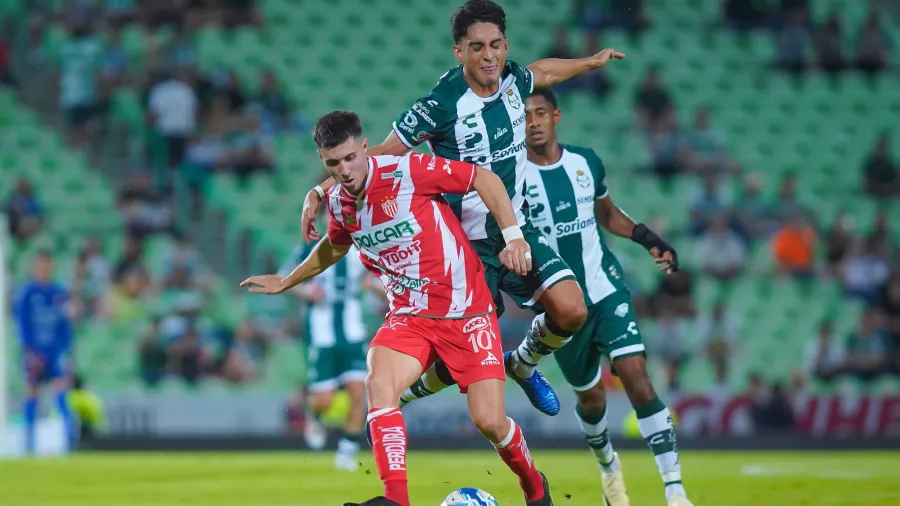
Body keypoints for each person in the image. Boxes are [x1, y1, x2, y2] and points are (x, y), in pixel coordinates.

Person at [299, 0, 626, 417]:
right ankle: (408, 393)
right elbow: (379, 152)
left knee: (571, 309)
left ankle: (522, 364)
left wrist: (590, 62)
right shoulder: (442, 102)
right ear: (459, 51)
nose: (488, 55)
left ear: (506, 45)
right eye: (476, 47)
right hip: (461, 246)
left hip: (514, 227)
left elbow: (544, 72)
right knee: (458, 364)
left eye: (495, 45)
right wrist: (322, 189)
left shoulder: (514, 80)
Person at [242, 111, 553, 506]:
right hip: (409, 317)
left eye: (350, 158)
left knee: (489, 421)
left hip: (466, 311)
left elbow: (484, 179)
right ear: (323, 162)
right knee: (378, 380)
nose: (345, 170)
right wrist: (287, 281)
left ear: (364, 146)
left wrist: (514, 238)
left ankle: (536, 488)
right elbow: (336, 245)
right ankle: (397, 501)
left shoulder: (408, 171)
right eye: (333, 164)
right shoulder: (339, 204)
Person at [398, 88, 688, 506]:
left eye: (540, 114)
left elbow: (605, 212)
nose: (532, 122)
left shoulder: (585, 162)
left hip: (603, 287)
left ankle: (675, 491)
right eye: (525, 115)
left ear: (556, 116)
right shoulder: (509, 174)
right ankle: (608, 465)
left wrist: (646, 237)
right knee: (590, 396)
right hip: (541, 287)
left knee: (637, 376)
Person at [277, 238, 382, 471]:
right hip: (321, 335)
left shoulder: (363, 246)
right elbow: (284, 278)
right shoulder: (307, 248)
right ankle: (315, 415)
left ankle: (347, 451)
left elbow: (384, 285)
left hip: (353, 334)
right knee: (325, 400)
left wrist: (371, 285)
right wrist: (305, 292)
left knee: (358, 393)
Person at [13, 251, 77, 453]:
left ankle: (71, 442)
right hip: (34, 353)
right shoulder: (27, 293)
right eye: (40, 266)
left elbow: (65, 324)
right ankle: (29, 444)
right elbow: (22, 324)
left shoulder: (59, 292)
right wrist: (28, 350)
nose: (44, 270)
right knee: (31, 392)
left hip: (55, 352)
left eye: (47, 266)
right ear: (34, 268)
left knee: (61, 392)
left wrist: (65, 350)